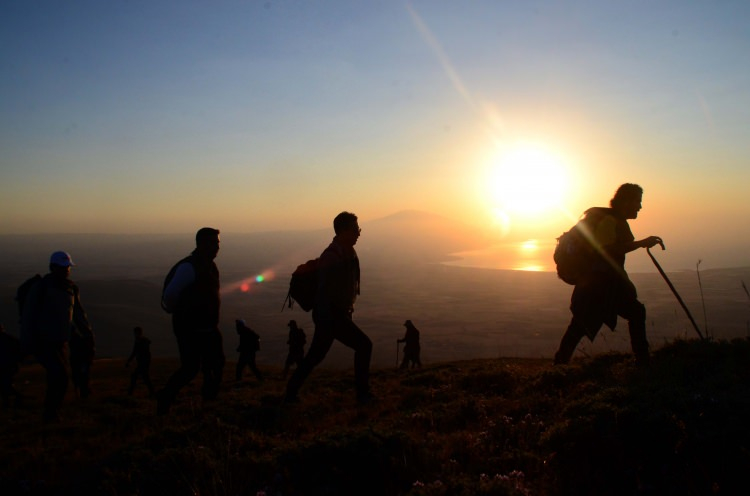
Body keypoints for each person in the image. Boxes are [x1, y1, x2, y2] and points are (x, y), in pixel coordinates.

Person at [553, 184, 663, 366]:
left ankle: (559, 364)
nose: (640, 207)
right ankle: (643, 361)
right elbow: (605, 250)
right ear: (626, 201)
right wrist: (641, 243)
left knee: (581, 325)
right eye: (638, 201)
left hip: (597, 285)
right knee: (631, 313)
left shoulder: (609, 219)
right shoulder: (611, 220)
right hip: (599, 286)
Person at [284, 212, 373, 404]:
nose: (359, 233)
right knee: (364, 346)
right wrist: (334, 318)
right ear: (343, 231)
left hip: (332, 316)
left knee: (315, 356)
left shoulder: (345, 252)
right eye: (355, 229)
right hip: (331, 316)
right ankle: (362, 394)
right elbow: (325, 292)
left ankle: (290, 393)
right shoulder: (332, 257)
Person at [157, 227, 225, 414]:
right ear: (202, 243)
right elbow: (170, 296)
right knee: (190, 368)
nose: (217, 247)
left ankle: (208, 401)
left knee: (216, 364)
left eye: (218, 243)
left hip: (209, 327)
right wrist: (182, 314)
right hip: (191, 329)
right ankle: (165, 398)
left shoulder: (209, 266)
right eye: (214, 243)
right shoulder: (189, 267)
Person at [21, 251, 94, 422]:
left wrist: (88, 334)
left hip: (61, 341)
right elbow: (28, 316)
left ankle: (51, 413)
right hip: (44, 341)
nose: (66, 270)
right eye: (63, 267)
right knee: (60, 376)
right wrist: (28, 343)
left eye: (67, 267)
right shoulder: (41, 288)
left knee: (57, 377)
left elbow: (78, 314)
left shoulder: (70, 288)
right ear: (53, 268)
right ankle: (50, 414)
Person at [126, 326, 154, 396]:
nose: (135, 334)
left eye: (136, 333)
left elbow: (135, 352)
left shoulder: (141, 341)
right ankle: (152, 392)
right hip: (143, 363)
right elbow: (134, 352)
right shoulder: (139, 341)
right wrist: (129, 361)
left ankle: (130, 393)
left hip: (143, 363)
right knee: (144, 377)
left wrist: (129, 361)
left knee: (136, 376)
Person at [69, 325, 95, 399]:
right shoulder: (78, 339)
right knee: (82, 377)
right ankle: (83, 394)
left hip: (79, 361)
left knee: (80, 377)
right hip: (80, 361)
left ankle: (82, 394)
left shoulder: (75, 340)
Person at [0, 324, 22, 408]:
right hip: (9, 366)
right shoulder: (10, 339)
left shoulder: (8, 339)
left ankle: (12, 399)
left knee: (4, 385)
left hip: (6, 366)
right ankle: (9, 401)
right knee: (5, 384)